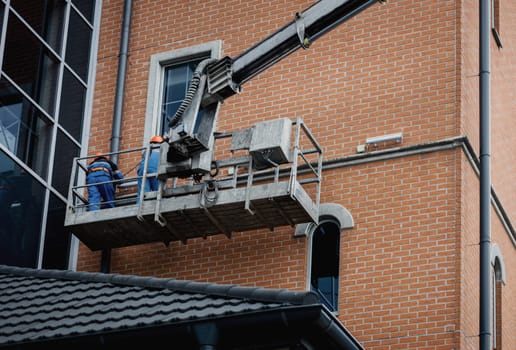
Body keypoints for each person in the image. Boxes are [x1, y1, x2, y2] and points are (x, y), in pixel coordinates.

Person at [137, 135, 164, 202]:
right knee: (157, 191)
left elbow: (142, 161)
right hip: (155, 170)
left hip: (143, 170)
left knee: (142, 193)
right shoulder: (163, 150)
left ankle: (140, 206)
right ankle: (157, 205)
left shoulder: (147, 150)